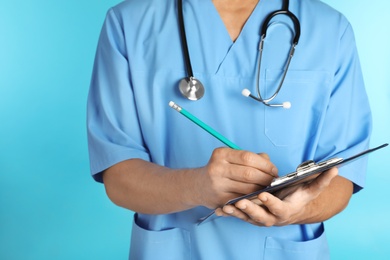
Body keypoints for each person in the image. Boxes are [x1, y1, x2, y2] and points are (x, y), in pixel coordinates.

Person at [87, 0, 372, 259]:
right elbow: (118, 175)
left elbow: (342, 176)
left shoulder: (330, 29)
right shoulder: (128, 24)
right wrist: (196, 186)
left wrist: (298, 209)